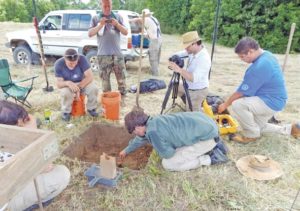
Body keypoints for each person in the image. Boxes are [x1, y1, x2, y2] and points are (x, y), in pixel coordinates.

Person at [217, 37, 300, 143]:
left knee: (238, 104)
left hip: (270, 101)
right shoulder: (267, 55)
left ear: (250, 51)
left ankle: (251, 136)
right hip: (276, 99)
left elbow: (241, 93)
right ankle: (290, 129)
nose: (241, 59)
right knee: (258, 126)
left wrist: (225, 104)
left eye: (242, 57)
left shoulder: (259, 66)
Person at [0, 100, 70, 211]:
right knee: (62, 173)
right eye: (25, 121)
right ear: (19, 124)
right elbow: (47, 167)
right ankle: (27, 204)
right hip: (6, 200)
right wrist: (33, 132)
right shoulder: (12, 146)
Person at [119, 109, 228, 172]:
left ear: (137, 127)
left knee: (168, 164)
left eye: (134, 132)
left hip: (207, 138)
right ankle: (215, 144)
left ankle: (211, 158)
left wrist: (159, 146)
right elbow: (141, 138)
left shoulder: (152, 132)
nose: (135, 134)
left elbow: (168, 154)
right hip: (208, 125)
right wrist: (126, 151)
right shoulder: (154, 121)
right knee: (177, 146)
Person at [88, 0, 128, 95]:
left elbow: (126, 32)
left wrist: (117, 24)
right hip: (103, 55)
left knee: (121, 79)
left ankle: (122, 98)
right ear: (100, 5)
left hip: (117, 54)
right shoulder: (96, 18)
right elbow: (90, 34)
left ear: (111, 5)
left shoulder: (118, 17)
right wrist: (100, 25)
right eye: (105, 6)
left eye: (109, 5)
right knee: (105, 81)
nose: (107, 8)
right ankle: (108, 100)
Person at [169, 31, 211, 111]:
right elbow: (179, 54)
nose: (185, 48)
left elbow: (193, 78)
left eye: (187, 46)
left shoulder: (203, 58)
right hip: (189, 86)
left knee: (192, 116)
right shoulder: (192, 52)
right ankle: (188, 102)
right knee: (175, 86)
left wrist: (179, 70)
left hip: (198, 90)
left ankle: (193, 107)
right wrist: (172, 58)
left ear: (195, 43)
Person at [55, 48, 99, 121]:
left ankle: (91, 109)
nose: (73, 65)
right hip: (68, 85)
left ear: (78, 58)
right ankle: (66, 112)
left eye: (75, 63)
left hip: (82, 82)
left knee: (93, 88)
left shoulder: (82, 59)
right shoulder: (59, 64)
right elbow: (59, 84)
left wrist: (79, 88)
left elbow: (90, 76)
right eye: (70, 63)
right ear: (65, 60)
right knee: (65, 93)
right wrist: (68, 83)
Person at [130, 8, 162, 76]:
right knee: (157, 57)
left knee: (153, 58)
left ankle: (155, 74)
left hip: (154, 40)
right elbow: (152, 29)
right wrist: (146, 35)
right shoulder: (154, 19)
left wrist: (129, 21)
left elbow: (138, 20)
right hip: (159, 39)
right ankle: (155, 70)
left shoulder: (147, 19)